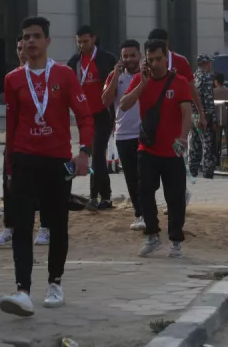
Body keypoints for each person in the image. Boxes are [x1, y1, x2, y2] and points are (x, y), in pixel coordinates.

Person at [1, 16, 93, 316]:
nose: (30, 42)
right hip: (24, 160)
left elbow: (85, 116)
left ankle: (55, 282)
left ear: (47, 41)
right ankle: (22, 290)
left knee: (57, 224)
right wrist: (9, 168)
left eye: (36, 36)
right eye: (26, 37)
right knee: (22, 227)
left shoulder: (64, 75)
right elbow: (11, 127)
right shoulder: (13, 79)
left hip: (57, 161)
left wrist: (83, 153)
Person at [120, 39, 192, 258]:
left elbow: (186, 113)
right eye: (150, 60)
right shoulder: (141, 80)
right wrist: (141, 84)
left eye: (158, 59)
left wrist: (183, 137)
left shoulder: (178, 81)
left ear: (166, 56)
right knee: (144, 191)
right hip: (147, 148)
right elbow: (123, 105)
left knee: (175, 196)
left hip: (172, 150)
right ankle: (152, 235)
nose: (154, 64)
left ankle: (176, 241)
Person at [0, 36, 49, 247]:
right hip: (17, 141)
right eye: (17, 47)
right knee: (9, 183)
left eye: (24, 46)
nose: (21, 51)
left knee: (44, 185)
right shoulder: (12, 78)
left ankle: (45, 227)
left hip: (42, 138)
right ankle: (10, 227)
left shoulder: (46, 75)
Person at [67, 25, 117, 209]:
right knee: (93, 155)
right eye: (79, 42)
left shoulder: (107, 59)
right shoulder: (74, 62)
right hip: (85, 117)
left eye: (85, 41)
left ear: (94, 39)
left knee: (97, 154)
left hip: (104, 114)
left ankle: (96, 196)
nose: (82, 45)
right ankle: (104, 196)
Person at [102, 40, 145, 230]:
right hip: (124, 134)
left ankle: (147, 211)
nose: (128, 60)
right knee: (131, 177)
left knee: (147, 176)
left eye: (132, 55)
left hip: (146, 134)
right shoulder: (114, 76)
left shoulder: (148, 75)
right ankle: (140, 213)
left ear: (140, 56)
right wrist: (115, 76)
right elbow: (105, 101)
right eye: (125, 56)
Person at [147, 29, 206, 132]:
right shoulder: (146, 64)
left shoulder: (180, 61)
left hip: (176, 117)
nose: (155, 62)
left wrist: (200, 113)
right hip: (152, 119)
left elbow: (192, 88)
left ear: (167, 43)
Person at [188, 55, 217, 179]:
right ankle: (207, 170)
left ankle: (192, 169)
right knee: (207, 144)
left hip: (192, 115)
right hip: (203, 115)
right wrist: (212, 118)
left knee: (194, 142)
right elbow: (208, 99)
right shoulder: (206, 77)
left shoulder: (193, 77)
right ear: (207, 63)